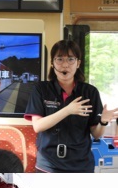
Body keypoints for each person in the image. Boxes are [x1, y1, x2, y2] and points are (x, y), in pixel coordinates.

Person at [25, 39, 118, 172]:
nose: (65, 65)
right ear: (52, 63)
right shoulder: (41, 89)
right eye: (59, 59)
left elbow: (96, 134)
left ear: (78, 63)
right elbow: (38, 126)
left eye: (70, 59)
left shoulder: (90, 92)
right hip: (48, 164)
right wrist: (68, 110)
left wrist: (103, 121)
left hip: (81, 165)